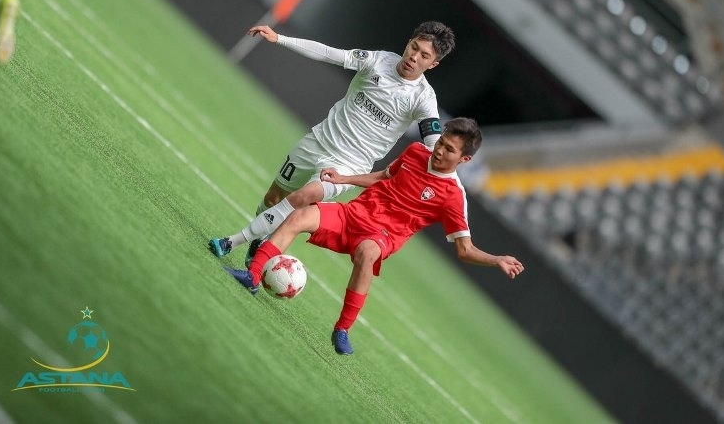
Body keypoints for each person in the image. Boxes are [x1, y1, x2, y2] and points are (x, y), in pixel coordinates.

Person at [223, 117, 525, 355]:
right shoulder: (416, 151)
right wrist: (344, 178)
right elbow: (383, 176)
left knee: (367, 254)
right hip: (353, 214)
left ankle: (342, 329)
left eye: (449, 149)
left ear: (464, 159)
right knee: (299, 216)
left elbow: (464, 249)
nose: (439, 150)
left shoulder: (453, 196)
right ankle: (252, 276)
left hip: (383, 235)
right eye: (441, 142)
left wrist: (496, 259)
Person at [209, 21, 456, 268]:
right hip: (318, 141)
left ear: (433, 64)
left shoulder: (423, 98)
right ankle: (260, 238)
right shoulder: (378, 60)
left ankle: (231, 242)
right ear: (409, 42)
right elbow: (329, 53)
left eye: (424, 56)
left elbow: (434, 144)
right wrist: (279, 38)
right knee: (273, 199)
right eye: (414, 47)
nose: (414, 56)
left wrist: (441, 175)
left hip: (348, 165)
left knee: (304, 196)